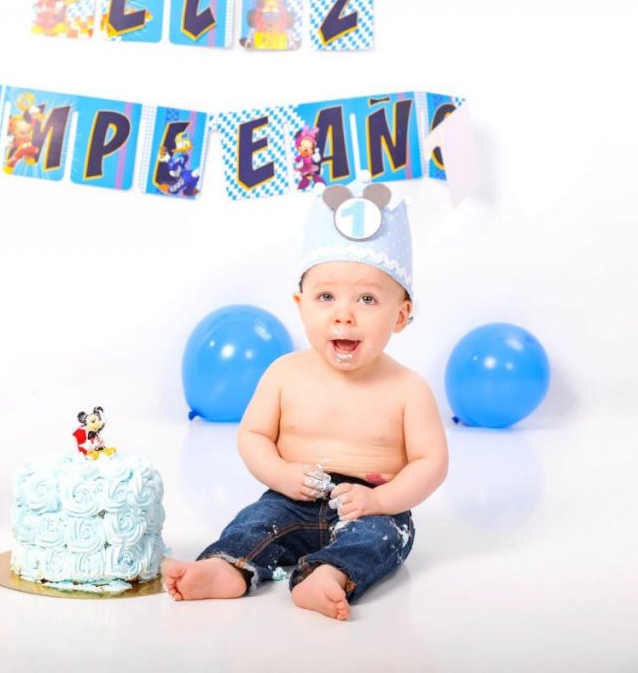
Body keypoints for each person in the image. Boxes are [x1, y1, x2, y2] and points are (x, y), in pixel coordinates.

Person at [163, 182, 448, 620]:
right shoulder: (284, 373)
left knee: (380, 539)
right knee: (255, 523)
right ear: (301, 304)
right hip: (289, 496)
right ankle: (227, 567)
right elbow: (254, 435)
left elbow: (431, 463)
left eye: (368, 298)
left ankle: (330, 574)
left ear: (402, 315)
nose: (344, 313)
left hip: (370, 503)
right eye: (326, 296)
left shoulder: (409, 389)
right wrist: (280, 472)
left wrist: (381, 500)